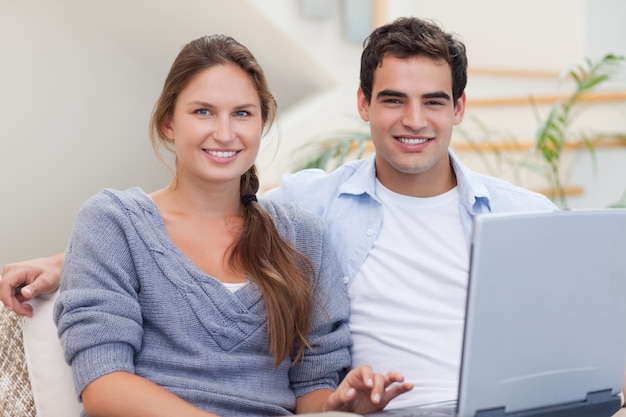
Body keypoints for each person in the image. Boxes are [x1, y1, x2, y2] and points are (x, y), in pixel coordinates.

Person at [1, 17, 558, 410]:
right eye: (393, 99)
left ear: (458, 108)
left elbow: (317, 384)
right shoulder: (316, 204)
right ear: (364, 104)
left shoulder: (526, 215)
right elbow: (163, 234)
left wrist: (343, 402)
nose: (414, 119)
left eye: (434, 101)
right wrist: (69, 261)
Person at [13, 34, 413, 417]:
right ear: (169, 123)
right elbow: (104, 384)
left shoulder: (302, 236)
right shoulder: (113, 222)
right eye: (203, 111)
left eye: (242, 113)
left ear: (262, 124)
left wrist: (341, 406)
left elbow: (313, 387)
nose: (224, 133)